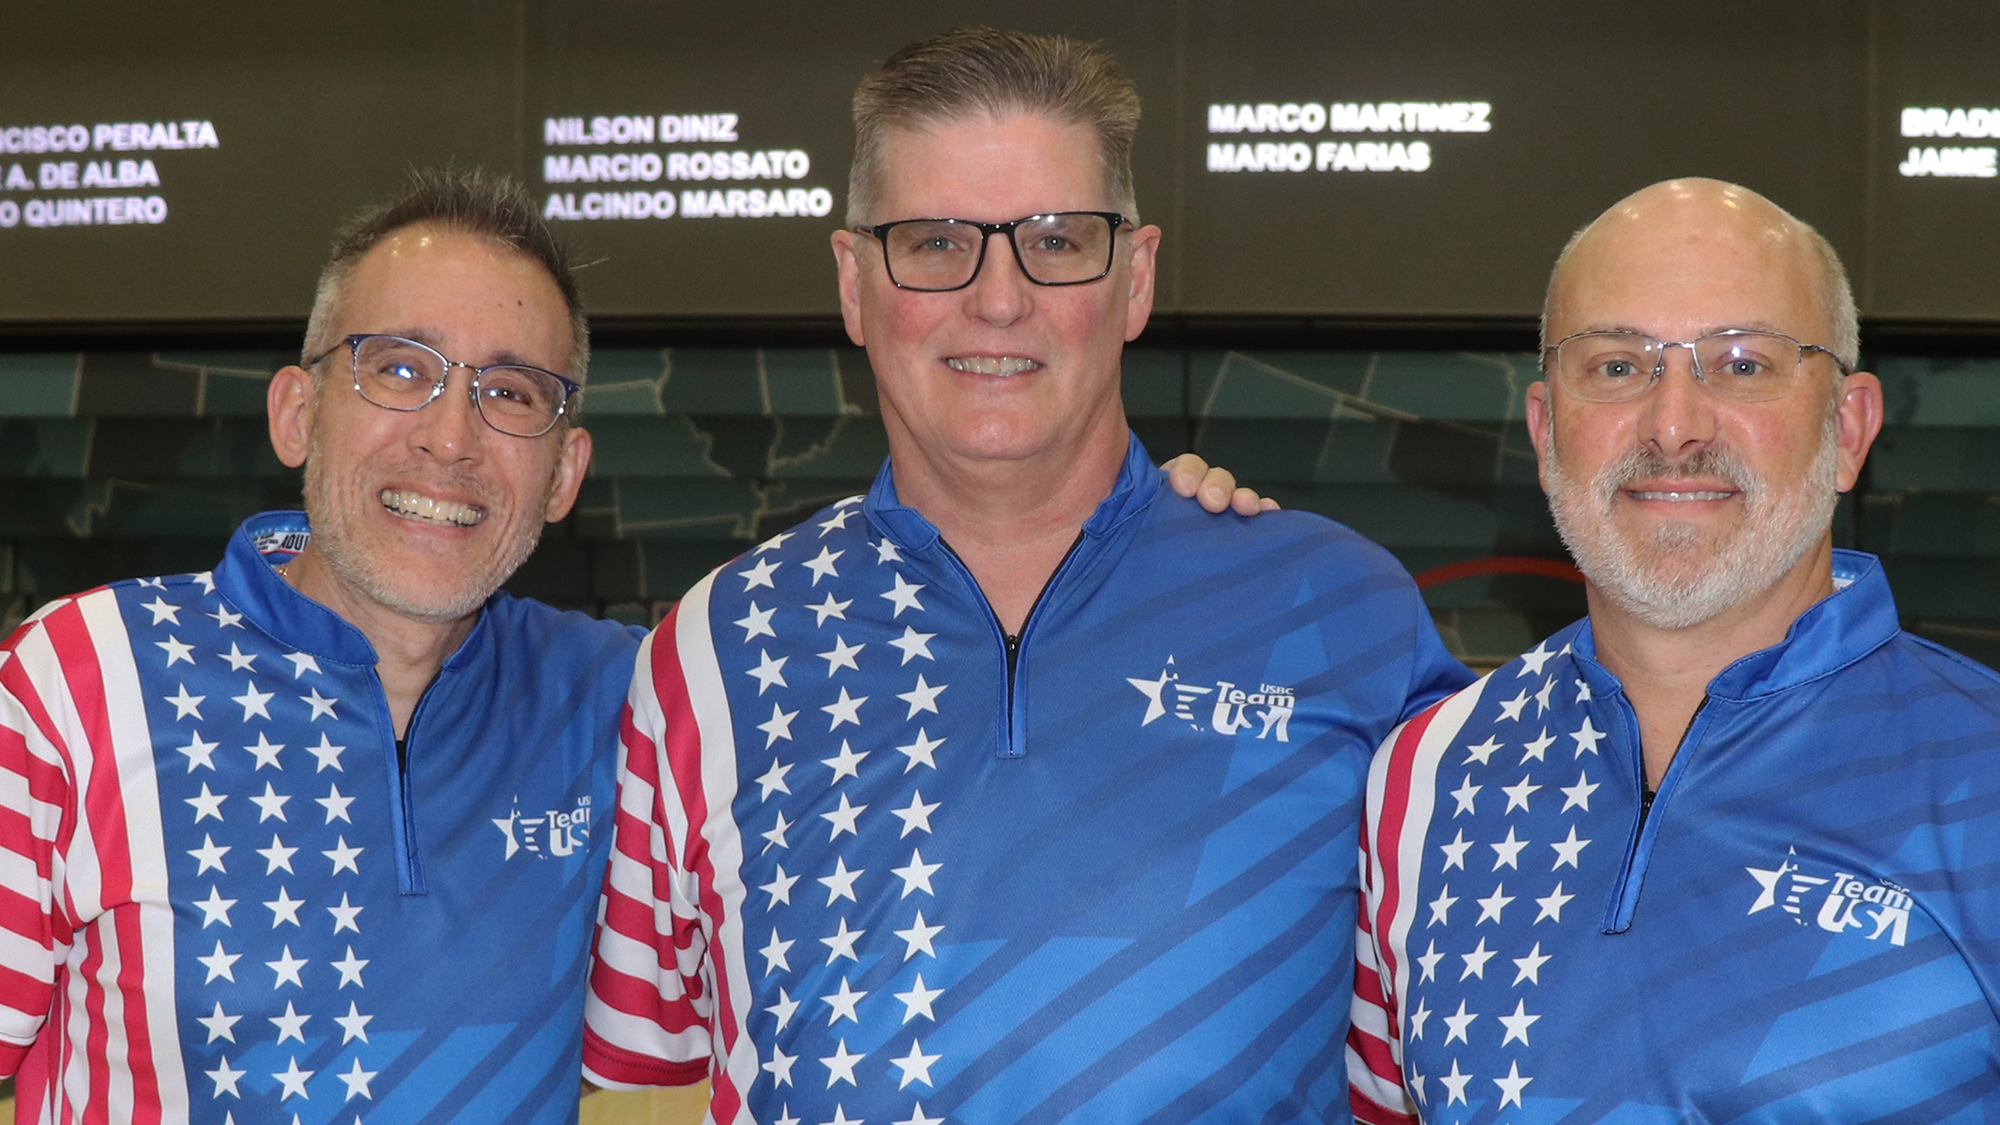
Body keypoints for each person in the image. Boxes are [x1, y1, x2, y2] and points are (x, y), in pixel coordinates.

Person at [581, 27, 1471, 1125]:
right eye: (934, 241)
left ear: (1134, 279)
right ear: (854, 285)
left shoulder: (1344, 615)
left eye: (1054, 240)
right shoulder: (712, 649)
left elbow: (1452, 1072)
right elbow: (644, 1090)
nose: (997, 299)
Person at [1347, 178, 2000, 1122]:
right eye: (1618, 366)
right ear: (1544, 430)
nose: (1674, 424)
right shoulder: (1422, 776)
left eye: (1742, 364)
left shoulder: (1982, 775)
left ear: (1848, 426)